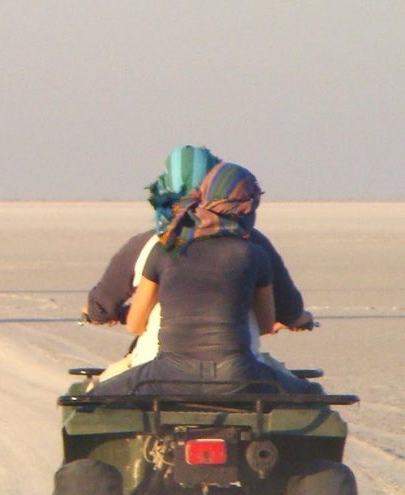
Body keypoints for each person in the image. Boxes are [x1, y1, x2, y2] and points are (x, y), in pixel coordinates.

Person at [92, 162, 321, 398]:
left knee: (95, 397)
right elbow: (264, 325)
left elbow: (135, 325)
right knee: (312, 394)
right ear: (247, 209)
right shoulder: (255, 254)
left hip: (166, 376)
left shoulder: (165, 249)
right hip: (239, 377)